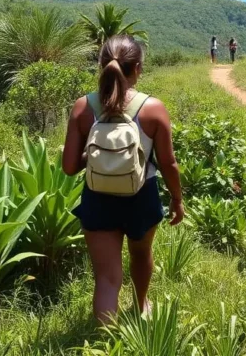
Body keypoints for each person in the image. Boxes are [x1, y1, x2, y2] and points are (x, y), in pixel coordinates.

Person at [63, 35, 185, 324]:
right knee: (141, 255)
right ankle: (141, 305)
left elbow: (69, 167)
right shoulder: (153, 108)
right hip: (141, 195)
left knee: (106, 278)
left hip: (97, 198)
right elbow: (168, 163)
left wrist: (97, 156)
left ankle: (104, 341)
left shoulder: (83, 107)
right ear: (138, 68)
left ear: (101, 65)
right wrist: (177, 199)